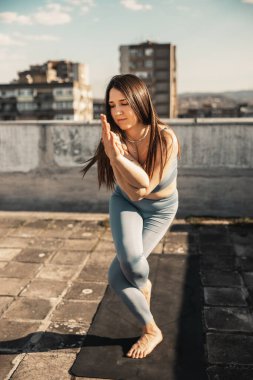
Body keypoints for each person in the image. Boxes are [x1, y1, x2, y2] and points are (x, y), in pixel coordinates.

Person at [81, 74, 180, 359]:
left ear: (140, 101)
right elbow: (131, 194)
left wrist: (119, 158)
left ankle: (146, 311)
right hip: (125, 203)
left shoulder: (165, 138)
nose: (118, 112)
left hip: (159, 210)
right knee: (125, 269)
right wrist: (114, 156)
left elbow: (145, 188)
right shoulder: (115, 138)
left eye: (124, 103)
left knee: (125, 270)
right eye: (112, 105)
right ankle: (151, 327)